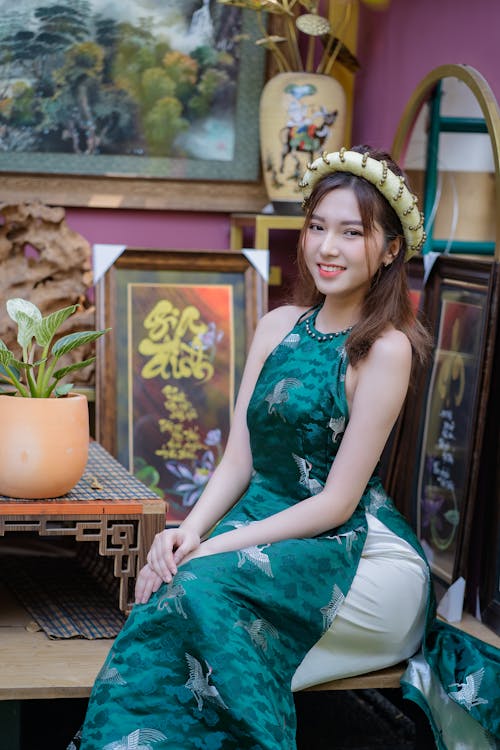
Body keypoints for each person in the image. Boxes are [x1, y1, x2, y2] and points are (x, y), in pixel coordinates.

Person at [72, 147, 498, 750]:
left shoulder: (386, 348)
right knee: (170, 594)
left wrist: (216, 547)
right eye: (318, 227)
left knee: (200, 595)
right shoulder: (278, 325)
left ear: (390, 248)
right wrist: (189, 532)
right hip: (264, 530)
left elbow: (336, 502)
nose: (327, 247)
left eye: (352, 232)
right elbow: (240, 460)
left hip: (355, 555)